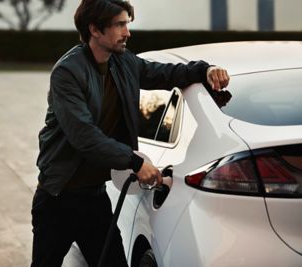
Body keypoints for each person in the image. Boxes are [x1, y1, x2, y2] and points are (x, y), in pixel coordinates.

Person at [31, 0, 230, 266]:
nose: (127, 32)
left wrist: (205, 70)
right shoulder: (68, 72)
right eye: (119, 25)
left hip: (94, 197)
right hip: (58, 198)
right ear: (95, 29)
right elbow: (84, 136)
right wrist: (136, 162)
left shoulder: (123, 62)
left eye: (127, 24)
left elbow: (166, 73)